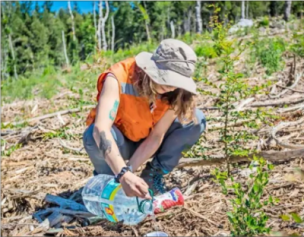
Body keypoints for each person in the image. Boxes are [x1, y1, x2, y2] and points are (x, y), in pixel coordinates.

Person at [83, 39, 206, 200]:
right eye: (167, 78)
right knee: (92, 134)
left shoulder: (177, 92)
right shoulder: (118, 77)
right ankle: (107, 181)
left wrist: (130, 171)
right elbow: (101, 129)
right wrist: (122, 174)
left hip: (147, 142)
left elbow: (156, 136)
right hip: (119, 142)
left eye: (176, 82)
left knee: (196, 119)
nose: (171, 87)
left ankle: (152, 176)